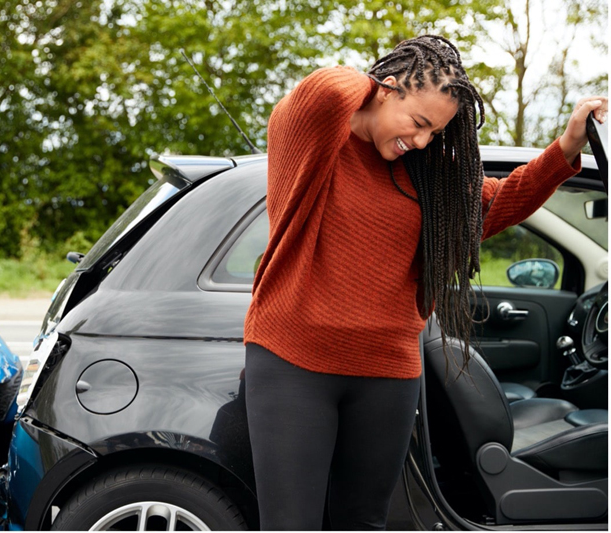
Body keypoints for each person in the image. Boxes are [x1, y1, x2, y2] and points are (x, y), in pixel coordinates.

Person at [242, 35, 607, 531]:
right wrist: (372, 82)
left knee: (365, 522)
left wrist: (566, 146)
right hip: (293, 365)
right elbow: (327, 90)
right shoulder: (314, 137)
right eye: (418, 123)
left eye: (434, 133)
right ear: (386, 89)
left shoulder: (426, 174)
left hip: (388, 373)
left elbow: (497, 202)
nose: (421, 141)